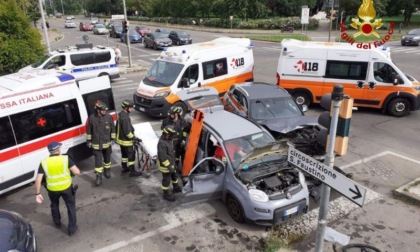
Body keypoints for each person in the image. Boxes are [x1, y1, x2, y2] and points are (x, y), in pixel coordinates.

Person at [35, 141, 80, 236]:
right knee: (70, 206)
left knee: (54, 205)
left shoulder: (44, 162)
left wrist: (38, 194)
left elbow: (38, 179)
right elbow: (77, 172)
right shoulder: (65, 158)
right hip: (66, 188)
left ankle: (57, 223)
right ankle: (72, 229)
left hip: (52, 190)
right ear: (58, 150)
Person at [86, 101, 116, 186]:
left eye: (105, 110)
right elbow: (89, 131)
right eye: (103, 110)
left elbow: (113, 128)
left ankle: (107, 171)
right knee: (98, 162)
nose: (104, 111)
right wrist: (88, 141)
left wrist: (113, 139)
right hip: (96, 144)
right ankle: (98, 176)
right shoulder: (91, 118)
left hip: (107, 143)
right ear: (98, 110)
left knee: (107, 159)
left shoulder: (108, 117)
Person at [116, 99, 142, 177]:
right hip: (126, 141)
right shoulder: (125, 118)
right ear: (126, 108)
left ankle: (124, 168)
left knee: (124, 155)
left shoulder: (121, 114)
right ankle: (132, 171)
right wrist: (134, 138)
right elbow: (127, 132)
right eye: (130, 108)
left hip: (121, 140)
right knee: (131, 155)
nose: (132, 109)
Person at [161, 106, 190, 171]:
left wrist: (184, 139)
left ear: (176, 114)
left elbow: (185, 130)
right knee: (171, 155)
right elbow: (163, 129)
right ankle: (172, 167)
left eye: (172, 114)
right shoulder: (166, 121)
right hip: (170, 142)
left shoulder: (182, 121)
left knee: (178, 154)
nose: (170, 116)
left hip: (179, 142)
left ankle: (176, 165)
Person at [158, 125, 182, 201]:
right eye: (171, 135)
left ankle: (176, 187)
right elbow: (163, 157)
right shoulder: (162, 143)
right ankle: (166, 194)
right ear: (167, 134)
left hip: (171, 163)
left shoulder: (168, 140)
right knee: (166, 179)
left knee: (174, 175)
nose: (172, 137)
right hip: (166, 166)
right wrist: (169, 166)